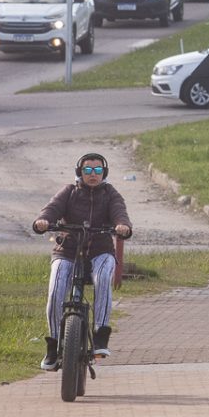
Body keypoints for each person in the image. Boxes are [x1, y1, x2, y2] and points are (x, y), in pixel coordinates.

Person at [32, 152, 134, 369]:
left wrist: (122, 226)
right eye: (88, 170)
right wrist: (43, 221)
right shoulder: (68, 192)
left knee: (104, 277)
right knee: (56, 288)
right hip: (67, 251)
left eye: (98, 170)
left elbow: (120, 213)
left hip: (100, 251)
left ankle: (100, 334)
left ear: (104, 173)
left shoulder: (110, 193)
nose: (93, 174)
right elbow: (52, 209)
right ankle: (53, 343)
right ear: (80, 172)